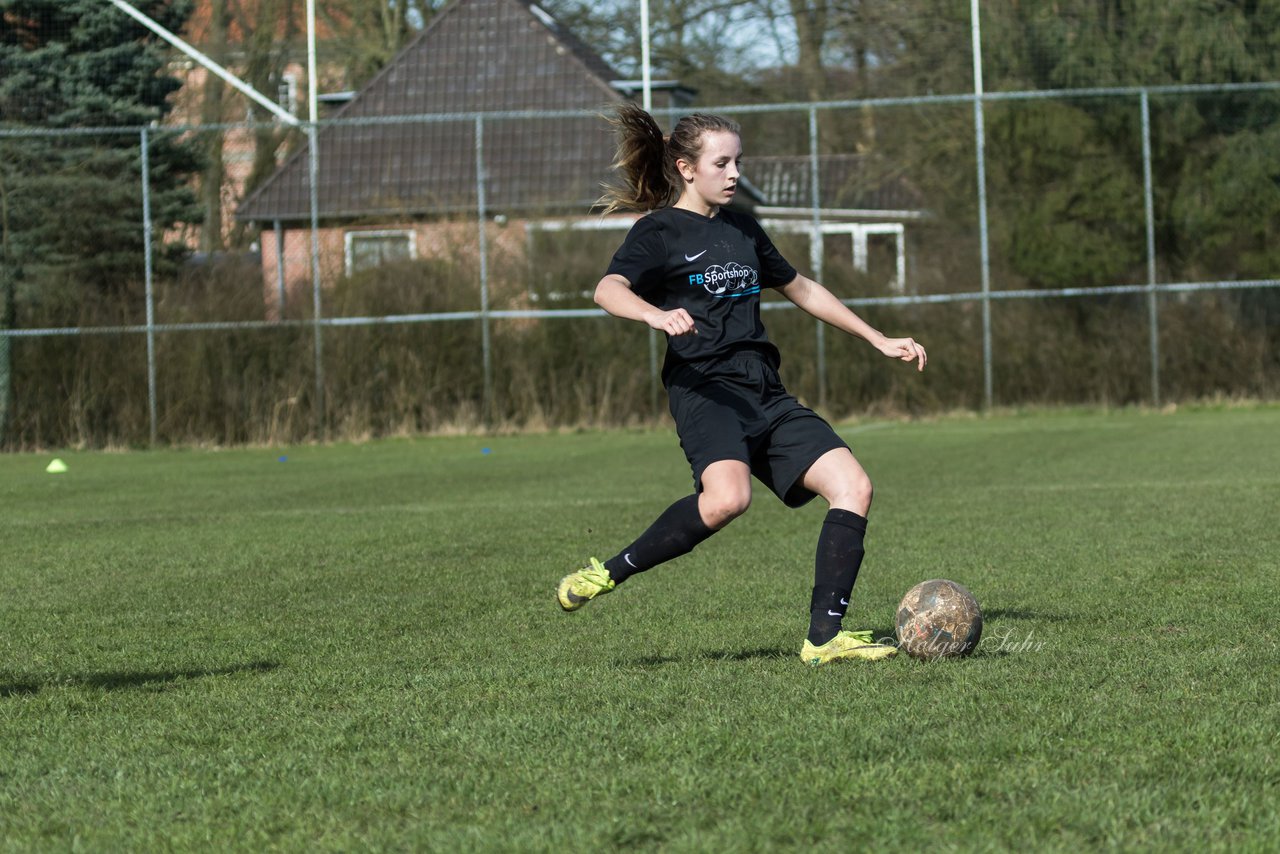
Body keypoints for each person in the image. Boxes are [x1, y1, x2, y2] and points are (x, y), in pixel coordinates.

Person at [556, 104, 927, 666]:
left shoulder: (743, 228)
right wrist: (654, 315)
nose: (734, 173)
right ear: (686, 167)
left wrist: (877, 338)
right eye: (721, 162)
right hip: (705, 390)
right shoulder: (657, 231)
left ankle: (824, 641)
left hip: (764, 390)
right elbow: (608, 289)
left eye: (737, 161)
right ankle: (607, 572)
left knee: (855, 486)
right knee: (728, 500)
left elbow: (802, 288)